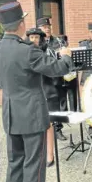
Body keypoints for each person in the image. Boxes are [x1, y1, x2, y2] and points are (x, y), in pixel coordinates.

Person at [0, 1, 73, 182]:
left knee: (15, 164)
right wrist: (66, 55)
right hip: (31, 116)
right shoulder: (27, 50)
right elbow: (57, 68)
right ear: (21, 24)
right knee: (34, 165)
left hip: (10, 115)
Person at [25, 28, 58, 167]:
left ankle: (50, 156)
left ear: (41, 39)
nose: (34, 40)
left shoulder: (47, 51)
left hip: (47, 91)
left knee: (48, 125)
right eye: (31, 37)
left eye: (36, 37)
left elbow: (53, 69)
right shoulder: (26, 53)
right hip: (33, 93)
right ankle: (39, 154)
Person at [37, 17, 69, 141]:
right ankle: (48, 128)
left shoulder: (57, 41)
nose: (47, 29)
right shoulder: (38, 43)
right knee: (48, 106)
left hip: (58, 77)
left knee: (60, 104)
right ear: (40, 29)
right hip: (45, 81)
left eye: (49, 27)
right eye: (45, 27)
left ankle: (58, 129)